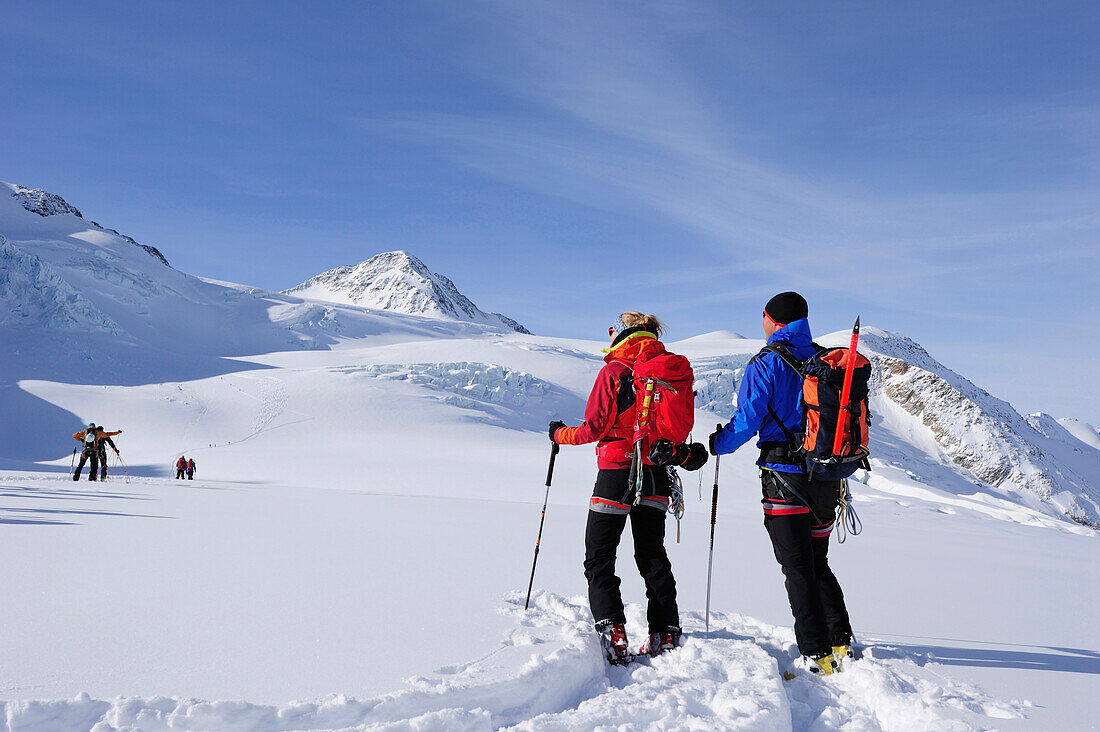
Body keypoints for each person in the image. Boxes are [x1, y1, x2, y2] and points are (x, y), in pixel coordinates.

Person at [709, 292, 853, 676]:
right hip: (825, 475)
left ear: (772, 320)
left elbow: (748, 418)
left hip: (782, 476)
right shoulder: (825, 359)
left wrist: (717, 444)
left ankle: (816, 652)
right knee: (817, 562)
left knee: (796, 567)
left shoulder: (767, 362)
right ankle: (840, 641)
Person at [550, 312, 707, 662]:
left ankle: (613, 633)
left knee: (600, 556)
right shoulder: (665, 371)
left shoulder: (615, 372)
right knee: (652, 555)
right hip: (655, 471)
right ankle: (665, 632)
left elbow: (592, 428)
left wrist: (559, 434)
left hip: (617, 473)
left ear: (622, 337)